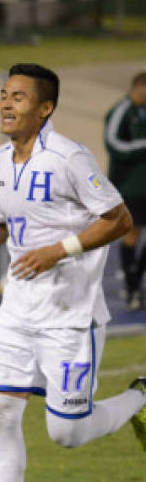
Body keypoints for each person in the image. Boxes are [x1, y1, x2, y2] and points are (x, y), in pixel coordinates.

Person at [0, 63, 146, 482]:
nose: (6, 105)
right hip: (17, 313)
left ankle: (140, 398)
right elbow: (4, 226)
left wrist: (59, 251)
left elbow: (119, 219)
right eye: (4, 95)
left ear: (46, 108)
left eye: (19, 98)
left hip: (70, 317)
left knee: (67, 434)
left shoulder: (70, 158)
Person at [104, 70, 146, 311]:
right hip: (130, 185)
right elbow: (113, 143)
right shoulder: (122, 111)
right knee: (132, 234)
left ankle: (136, 282)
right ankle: (132, 290)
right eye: (140, 88)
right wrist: (142, 145)